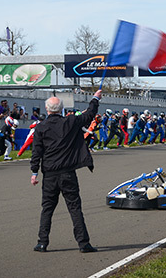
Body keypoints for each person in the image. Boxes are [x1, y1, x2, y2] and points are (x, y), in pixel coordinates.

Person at [30, 89, 102, 254]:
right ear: (61, 109)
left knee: (47, 208)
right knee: (75, 207)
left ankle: (42, 243)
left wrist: (34, 172)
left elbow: (36, 152)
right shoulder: (70, 122)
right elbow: (89, 114)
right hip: (68, 173)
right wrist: (95, 98)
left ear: (47, 109)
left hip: (49, 174)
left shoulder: (41, 127)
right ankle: (83, 244)